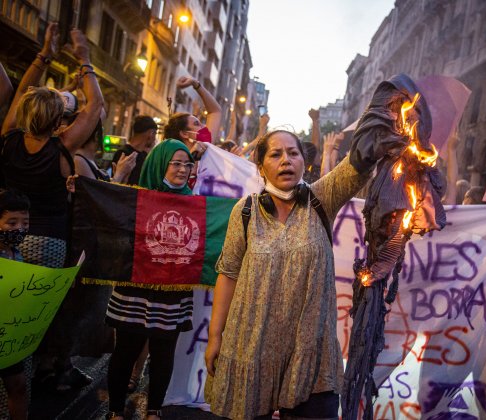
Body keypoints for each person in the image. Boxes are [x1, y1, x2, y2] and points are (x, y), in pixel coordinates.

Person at [205, 129, 373, 419]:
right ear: (261, 167)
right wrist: (214, 335)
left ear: (304, 162)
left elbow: (357, 165)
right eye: (275, 154)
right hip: (251, 348)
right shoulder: (245, 212)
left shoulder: (321, 200)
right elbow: (228, 274)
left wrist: (383, 117)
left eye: (293, 153)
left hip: (311, 355)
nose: (286, 160)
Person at [0, 25, 104, 389]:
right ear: (57, 119)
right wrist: (85, 59)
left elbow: (13, 100)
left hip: (8, 236)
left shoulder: (9, 141)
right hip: (49, 242)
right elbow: (97, 106)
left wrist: (43, 55)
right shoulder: (62, 148)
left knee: (6, 313)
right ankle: (29, 380)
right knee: (33, 318)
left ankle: (11, 377)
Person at [105, 139, 196, 420]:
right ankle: (115, 410)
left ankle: (154, 409)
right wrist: (111, 180)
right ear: (160, 164)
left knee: (164, 350)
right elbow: (108, 213)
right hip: (135, 286)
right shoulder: (136, 196)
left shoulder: (196, 203)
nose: (183, 170)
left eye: (187, 164)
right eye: (176, 163)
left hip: (173, 287)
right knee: (126, 349)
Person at [0, 190, 30, 420]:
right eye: (12, 222)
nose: (19, 228)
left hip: (10, 336)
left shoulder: (17, 254)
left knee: (18, 386)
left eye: (25, 222)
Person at [112, 115, 157, 185]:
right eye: (155, 134)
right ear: (151, 133)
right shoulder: (124, 154)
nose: (154, 139)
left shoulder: (144, 155)